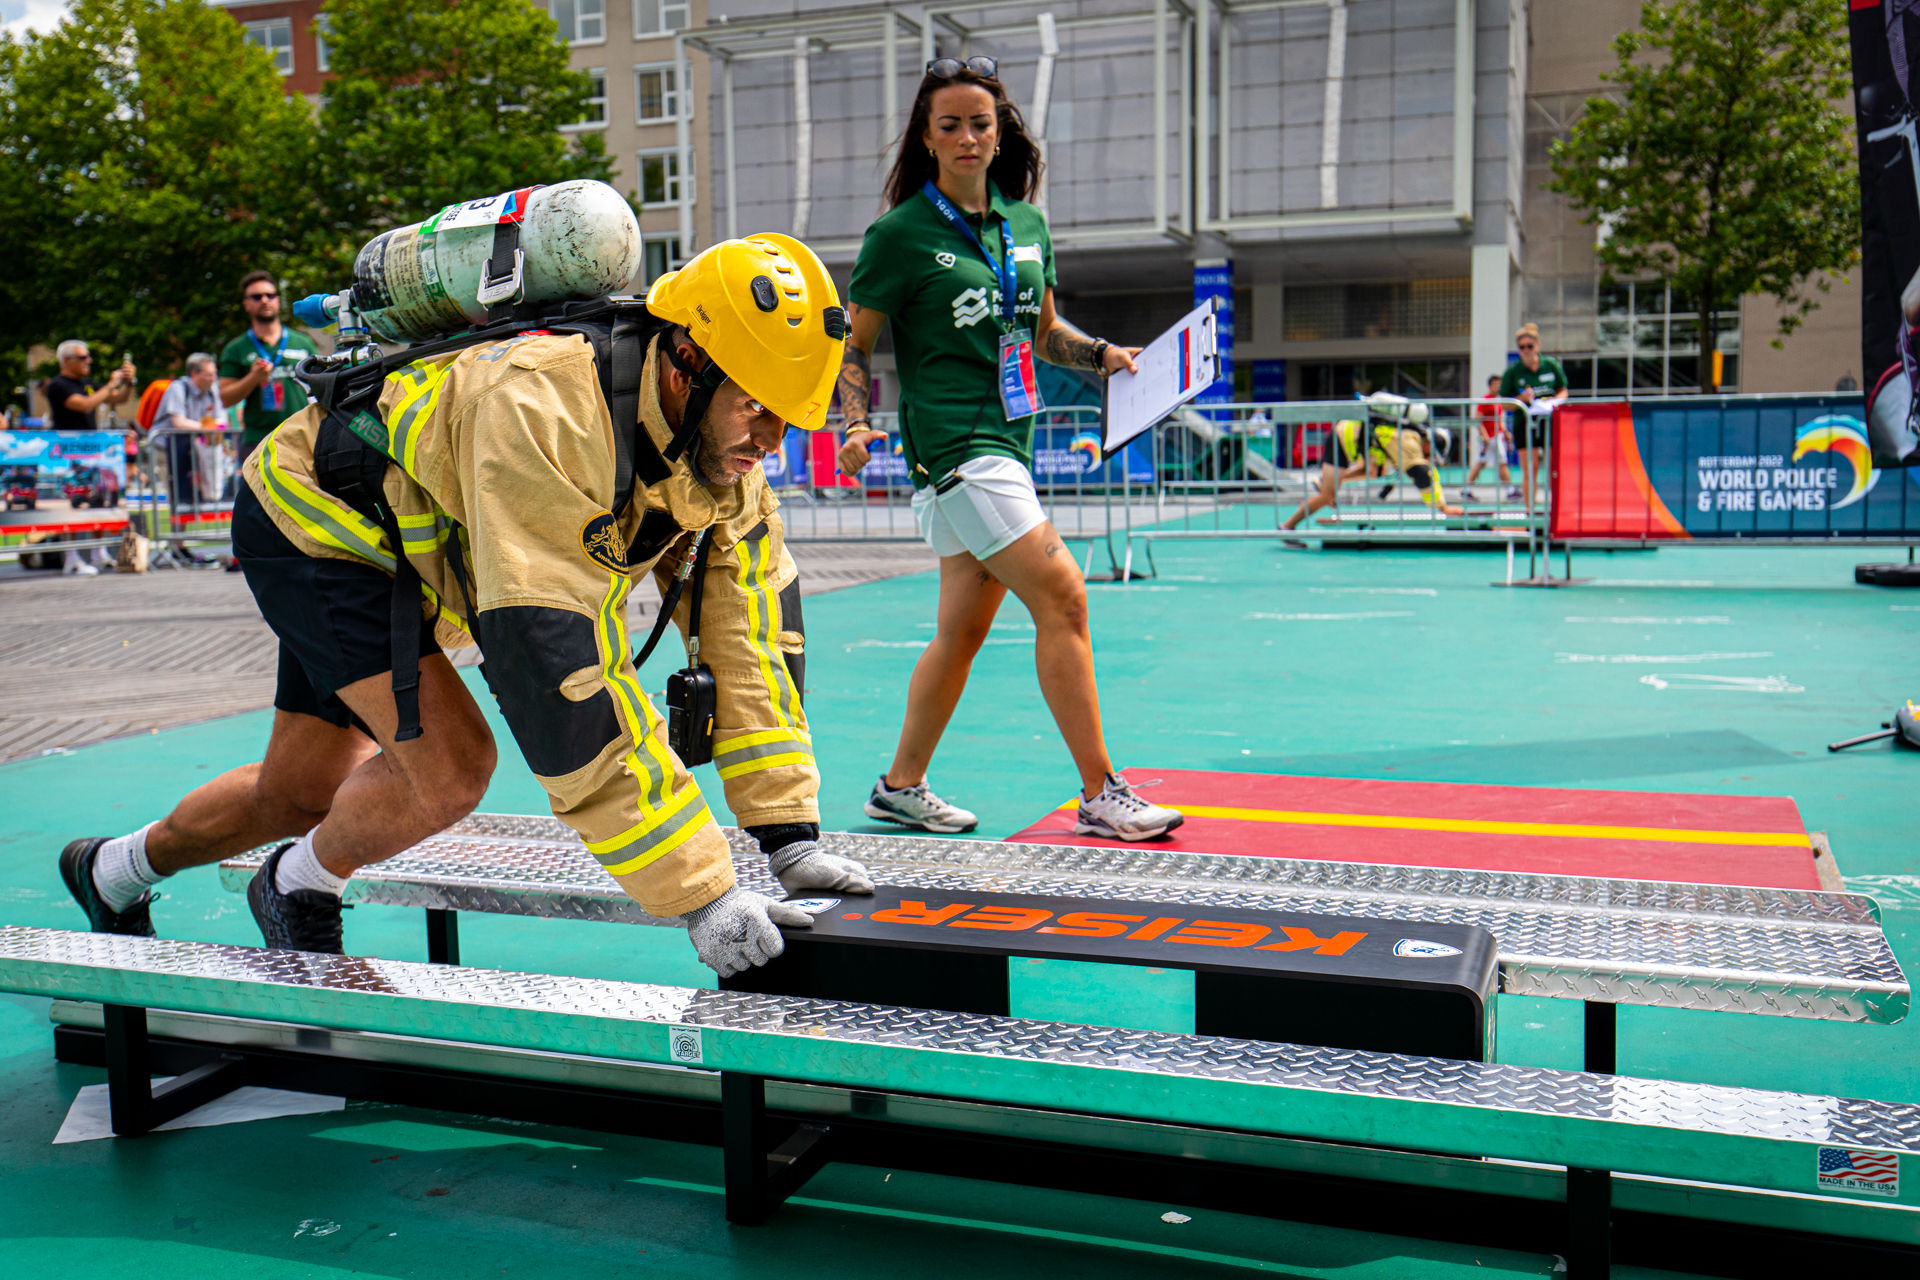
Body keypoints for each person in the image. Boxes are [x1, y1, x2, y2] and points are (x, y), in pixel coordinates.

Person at [59, 233, 874, 979]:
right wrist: (703, 891)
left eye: (788, 418)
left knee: (298, 793)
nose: (772, 441)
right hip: (320, 518)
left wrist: (786, 834)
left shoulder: (729, 463)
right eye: (757, 408)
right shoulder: (544, 412)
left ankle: (110, 871)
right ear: (685, 362)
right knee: (450, 768)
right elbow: (565, 673)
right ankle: (297, 883)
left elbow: (752, 645)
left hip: (409, 541)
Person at [834, 56, 1183, 842]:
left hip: (1008, 444)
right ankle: (1101, 792)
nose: (966, 136)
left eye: (979, 123)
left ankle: (899, 785)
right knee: (1063, 595)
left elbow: (1043, 331)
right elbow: (853, 346)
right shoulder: (898, 235)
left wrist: (1102, 355)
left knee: (962, 632)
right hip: (957, 445)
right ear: (926, 139)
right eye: (949, 124)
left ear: (1000, 135)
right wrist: (852, 425)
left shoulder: (1025, 226)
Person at [1282, 391, 1464, 545]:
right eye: (1431, 455)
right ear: (1429, 445)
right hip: (1342, 439)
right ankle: (1287, 527)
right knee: (1327, 495)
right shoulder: (1409, 442)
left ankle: (1327, 482)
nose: (1429, 459)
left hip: (1354, 438)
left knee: (1377, 471)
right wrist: (1442, 508)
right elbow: (1422, 474)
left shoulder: (1409, 435)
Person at [219, 271, 319, 466]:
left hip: (303, 436)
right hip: (259, 441)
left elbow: (319, 388)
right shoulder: (236, 348)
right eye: (256, 297)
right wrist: (253, 378)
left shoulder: (303, 343)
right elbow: (224, 398)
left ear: (278, 300)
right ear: (246, 304)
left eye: (270, 295)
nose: (264, 300)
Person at [1498, 323, 1569, 499]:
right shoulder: (1513, 372)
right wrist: (1521, 399)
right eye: (1522, 347)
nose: (1526, 350)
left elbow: (1563, 389)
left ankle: (1556, 509)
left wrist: (1556, 401)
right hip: (1525, 423)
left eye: (1530, 346)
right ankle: (1530, 512)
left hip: (1549, 421)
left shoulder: (1550, 365)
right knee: (1531, 467)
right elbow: (1504, 403)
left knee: (1554, 467)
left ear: (1537, 345)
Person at [156, 352, 225, 519]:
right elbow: (178, 422)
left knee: (196, 494)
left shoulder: (213, 390)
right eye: (209, 374)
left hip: (194, 447)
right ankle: (177, 541)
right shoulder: (178, 388)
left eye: (214, 374)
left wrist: (213, 427)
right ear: (194, 374)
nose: (213, 378)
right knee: (176, 492)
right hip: (166, 448)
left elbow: (222, 419)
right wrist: (207, 427)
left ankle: (181, 538)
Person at [44, 341, 135, 432]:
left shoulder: (87, 383)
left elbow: (119, 398)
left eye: (88, 356)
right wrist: (112, 384)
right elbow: (84, 406)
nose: (89, 360)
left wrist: (129, 382)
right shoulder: (57, 385)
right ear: (66, 360)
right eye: (83, 357)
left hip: (89, 443)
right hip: (67, 443)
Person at [1462, 372, 1516, 501]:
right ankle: (1510, 491)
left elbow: (1497, 421)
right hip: (1490, 438)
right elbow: (1477, 419)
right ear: (1490, 386)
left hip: (1496, 436)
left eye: (1499, 385)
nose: (1498, 387)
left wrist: (1505, 432)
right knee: (1501, 463)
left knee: (1482, 463)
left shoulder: (1497, 401)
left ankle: (1467, 489)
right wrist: (1484, 435)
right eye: (1495, 385)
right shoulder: (1485, 400)